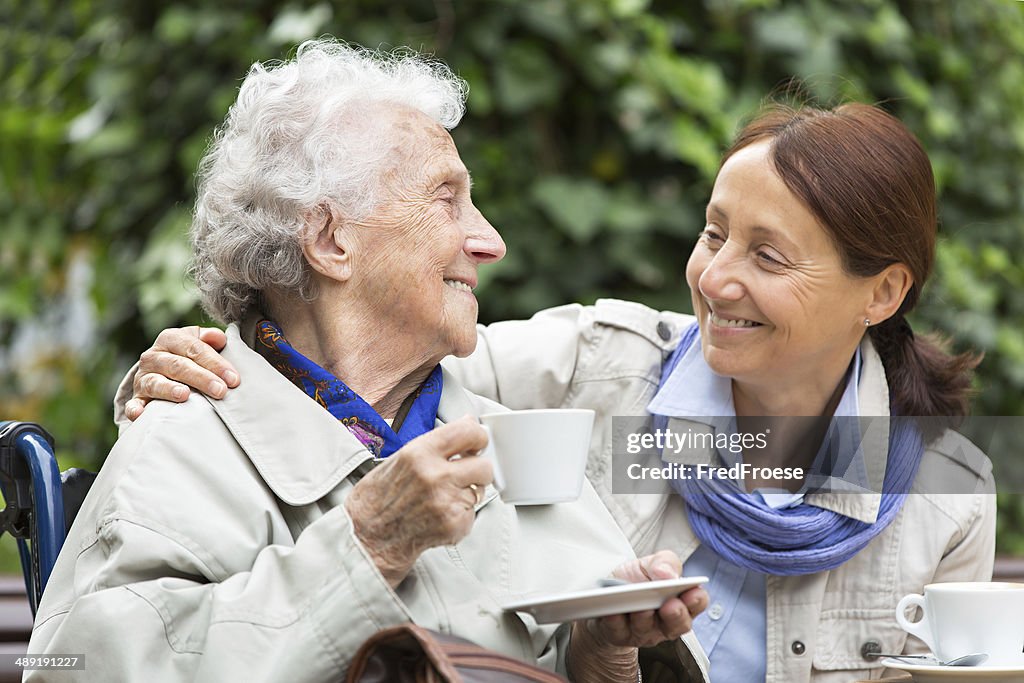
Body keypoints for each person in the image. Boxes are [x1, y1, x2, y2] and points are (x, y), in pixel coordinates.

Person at [122, 101, 995, 682]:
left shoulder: (940, 491)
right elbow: (361, 363)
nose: (714, 278)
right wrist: (197, 364)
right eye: (714, 233)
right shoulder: (595, 373)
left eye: (767, 257)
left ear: (881, 292)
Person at [27, 39, 714, 683]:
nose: (490, 240)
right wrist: (366, 543)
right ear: (330, 239)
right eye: (448, 199)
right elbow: (83, 665)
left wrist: (605, 652)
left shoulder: (507, 437)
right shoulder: (185, 440)